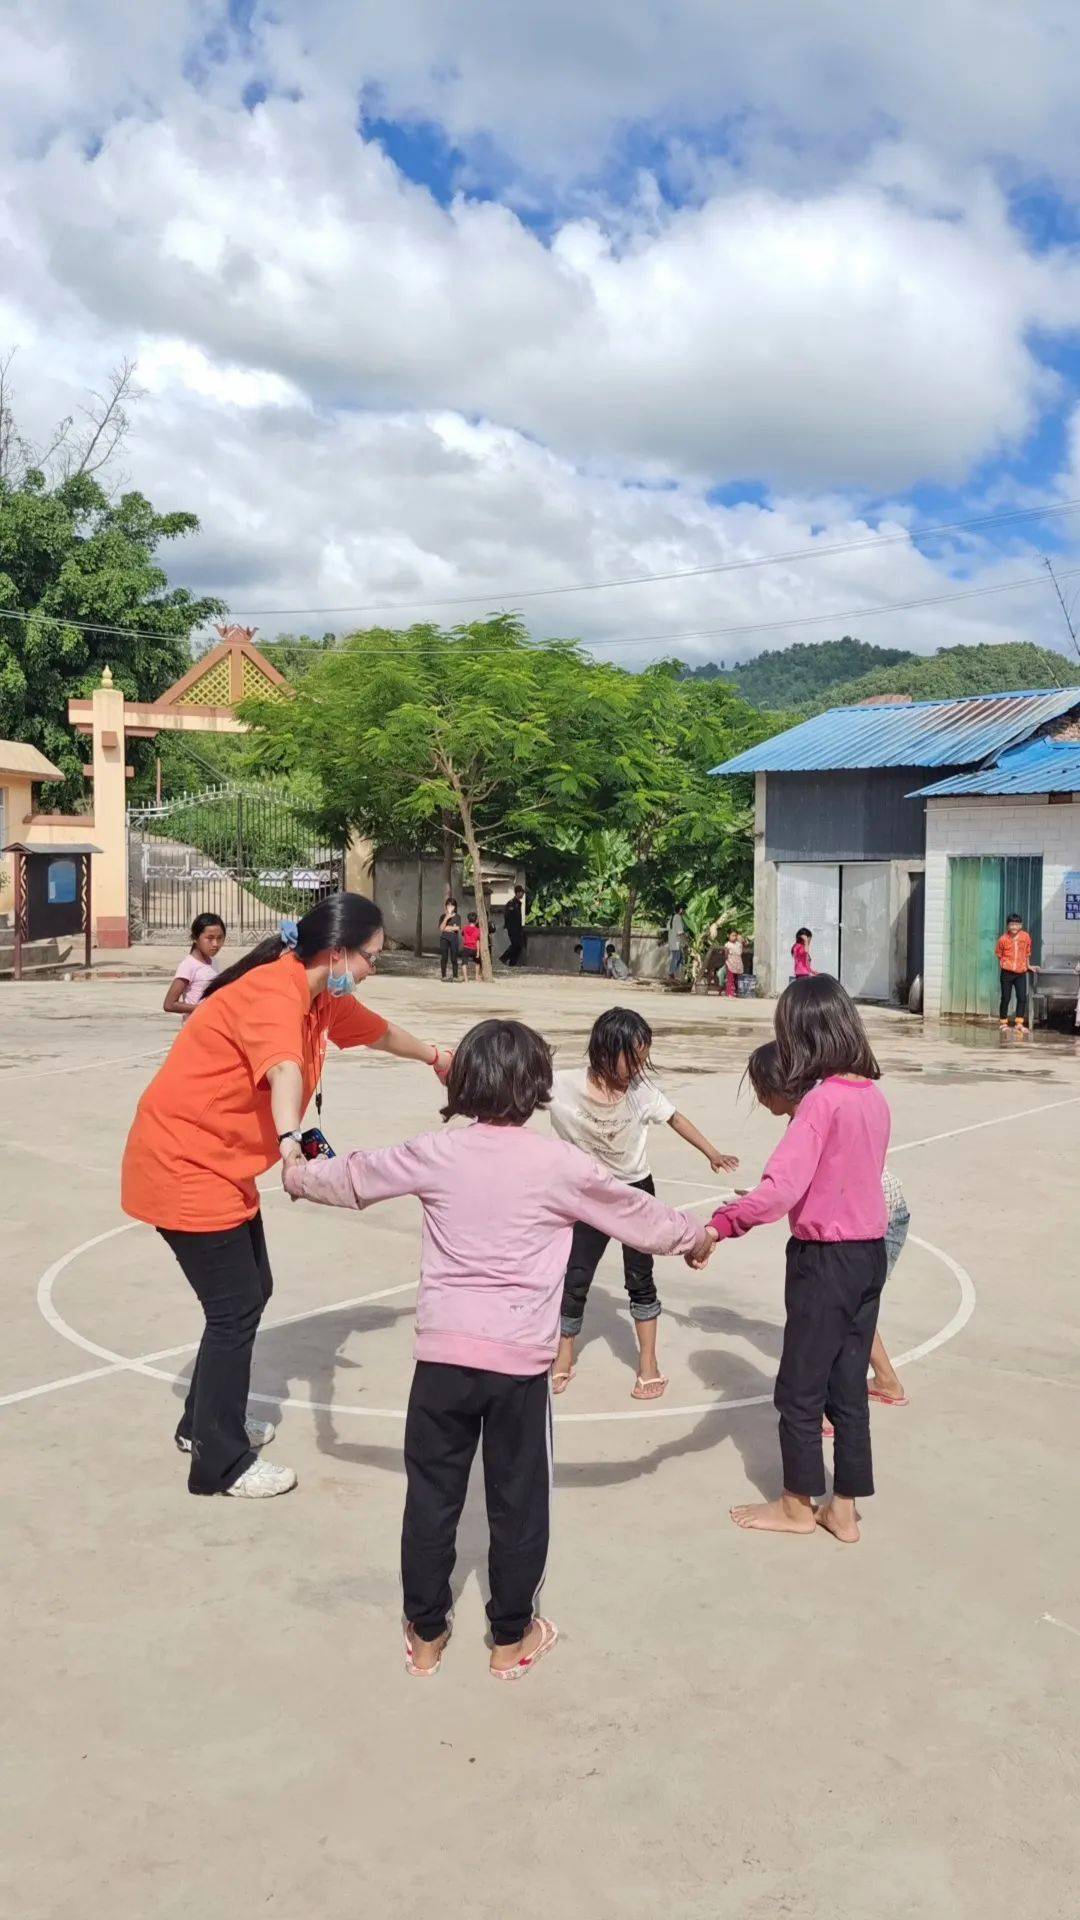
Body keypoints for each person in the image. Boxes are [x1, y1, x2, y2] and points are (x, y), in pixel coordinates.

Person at [283, 1018, 711, 1679]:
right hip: (517, 1371)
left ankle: (426, 1640)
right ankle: (510, 1642)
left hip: (442, 1364)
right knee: (518, 1502)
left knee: (432, 1497)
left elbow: (355, 1177)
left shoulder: (436, 1151)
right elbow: (638, 1216)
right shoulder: (560, 1165)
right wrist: (696, 1237)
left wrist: (297, 1172)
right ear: (536, 1085)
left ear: (462, 1081)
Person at [120, 894, 453, 1500]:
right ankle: (219, 1464)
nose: (375, 968)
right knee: (234, 1306)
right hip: (183, 1164)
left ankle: (203, 1423)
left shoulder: (322, 999)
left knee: (252, 1292)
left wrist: (437, 1057)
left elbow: (377, 1032)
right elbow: (283, 1070)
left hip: (221, 1165)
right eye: (373, 957)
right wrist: (291, 1141)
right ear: (336, 952)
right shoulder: (275, 993)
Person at [690, 976, 890, 1543]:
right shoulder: (872, 1096)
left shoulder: (820, 1102)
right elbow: (844, 1177)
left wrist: (722, 1224)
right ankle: (843, 1509)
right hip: (867, 1257)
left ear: (801, 1034)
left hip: (823, 1261)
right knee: (847, 1388)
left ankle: (798, 1506)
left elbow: (780, 1190)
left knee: (800, 1390)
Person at [549, 1006, 739, 1400]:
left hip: (636, 1193)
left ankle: (648, 1361)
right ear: (604, 1050)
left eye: (643, 1058)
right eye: (633, 1058)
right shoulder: (561, 1086)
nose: (638, 1067)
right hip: (589, 1197)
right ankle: (563, 1354)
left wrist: (712, 1152)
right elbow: (514, 1087)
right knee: (575, 1275)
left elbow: (676, 1118)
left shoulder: (640, 1093)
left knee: (640, 1276)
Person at [742, 1041, 910, 1422]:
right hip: (861, 1219)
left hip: (873, 1219)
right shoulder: (814, 1105)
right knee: (848, 1313)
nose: (758, 1098)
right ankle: (881, 1385)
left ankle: (839, 1404)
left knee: (841, 1314)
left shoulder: (818, 1107)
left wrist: (737, 1216)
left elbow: (792, 1186)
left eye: (759, 1089)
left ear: (778, 1087)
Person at [163, 912, 226, 1018]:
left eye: (219, 938)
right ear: (195, 938)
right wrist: (203, 1008)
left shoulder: (214, 962)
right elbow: (169, 1004)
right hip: (195, 1029)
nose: (215, 944)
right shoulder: (189, 965)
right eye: (210, 938)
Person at [996, 911, 1033, 1033]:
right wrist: (1003, 965)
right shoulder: (1003, 939)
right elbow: (999, 954)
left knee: (1022, 997)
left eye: (1017, 924)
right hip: (1006, 973)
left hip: (1021, 973)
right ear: (1008, 925)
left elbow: (1027, 952)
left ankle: (1019, 1023)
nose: (1014, 927)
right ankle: (1003, 1022)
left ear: (1021, 925)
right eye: (1011, 924)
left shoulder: (1025, 937)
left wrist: (1028, 966)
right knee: (1005, 998)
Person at [500, 884, 526, 966]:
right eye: (522, 892)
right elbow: (507, 915)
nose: (523, 894)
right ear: (517, 893)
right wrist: (508, 926)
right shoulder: (511, 903)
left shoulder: (518, 903)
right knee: (515, 945)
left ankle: (512, 963)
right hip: (512, 928)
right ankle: (503, 958)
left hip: (518, 929)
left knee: (518, 947)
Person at [439, 897, 463, 982]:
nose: (450, 907)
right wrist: (447, 918)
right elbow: (441, 928)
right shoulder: (442, 916)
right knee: (444, 957)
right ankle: (443, 976)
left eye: (452, 905)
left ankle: (455, 976)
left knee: (454, 957)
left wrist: (447, 928)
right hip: (444, 938)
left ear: (455, 907)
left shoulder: (457, 916)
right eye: (448, 905)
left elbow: (457, 928)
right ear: (446, 906)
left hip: (454, 938)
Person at [667, 906, 687, 978]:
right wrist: (686, 936)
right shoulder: (678, 917)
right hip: (676, 941)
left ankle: (673, 974)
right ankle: (671, 973)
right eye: (684, 909)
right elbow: (680, 932)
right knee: (677, 957)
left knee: (678, 957)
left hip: (672, 941)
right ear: (681, 910)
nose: (685, 911)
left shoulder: (672, 917)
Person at [723, 928, 744, 999]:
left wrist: (741, 940)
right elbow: (726, 955)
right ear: (728, 935)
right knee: (730, 979)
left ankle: (737, 992)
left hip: (738, 964)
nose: (734, 937)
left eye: (735, 935)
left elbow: (740, 951)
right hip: (730, 964)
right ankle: (730, 993)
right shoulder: (727, 945)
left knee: (737, 979)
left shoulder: (739, 944)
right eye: (732, 935)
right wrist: (727, 962)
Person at [461, 911, 482, 980]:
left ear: (468, 919)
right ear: (476, 920)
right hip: (474, 949)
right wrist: (478, 952)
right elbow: (478, 941)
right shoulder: (477, 930)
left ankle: (466, 978)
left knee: (464, 963)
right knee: (478, 963)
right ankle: (476, 976)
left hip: (466, 948)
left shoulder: (464, 928)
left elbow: (463, 935)